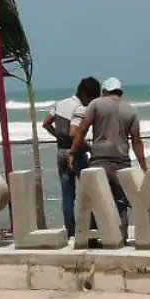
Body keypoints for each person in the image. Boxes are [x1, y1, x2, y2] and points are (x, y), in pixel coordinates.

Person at [71, 77, 147, 227]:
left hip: (99, 160)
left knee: (95, 199)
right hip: (122, 162)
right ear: (121, 92)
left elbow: (82, 129)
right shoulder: (131, 110)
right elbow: (137, 141)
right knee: (120, 200)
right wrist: (144, 167)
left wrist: (73, 152)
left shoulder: (96, 104)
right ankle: (122, 233)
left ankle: (91, 236)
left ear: (104, 91)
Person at [43, 76, 101, 235]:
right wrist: (88, 147)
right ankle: (94, 226)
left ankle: (71, 231)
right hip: (75, 154)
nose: (91, 103)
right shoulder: (79, 108)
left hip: (60, 151)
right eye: (91, 98)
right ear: (85, 94)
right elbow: (74, 132)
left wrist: (57, 136)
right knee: (91, 190)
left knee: (67, 194)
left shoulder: (60, 103)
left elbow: (46, 122)